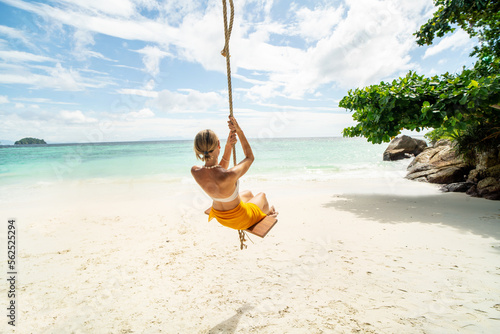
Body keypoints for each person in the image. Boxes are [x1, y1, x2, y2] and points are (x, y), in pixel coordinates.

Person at [191, 116, 277, 230]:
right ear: (218, 144)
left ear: (198, 149)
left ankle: (259, 211)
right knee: (262, 195)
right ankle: (267, 213)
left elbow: (215, 171)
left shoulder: (195, 171)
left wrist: (229, 146)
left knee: (248, 193)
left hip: (220, 217)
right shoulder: (229, 175)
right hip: (240, 220)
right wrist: (239, 130)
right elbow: (249, 157)